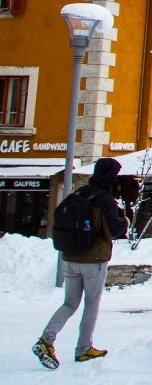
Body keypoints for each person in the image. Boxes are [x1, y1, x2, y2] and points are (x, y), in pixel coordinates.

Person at [33, 157, 129, 369]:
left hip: (70, 256)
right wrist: (125, 221)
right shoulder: (105, 200)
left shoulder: (78, 193)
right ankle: (84, 348)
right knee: (91, 304)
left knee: (69, 303)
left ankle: (46, 340)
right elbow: (115, 230)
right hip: (93, 260)